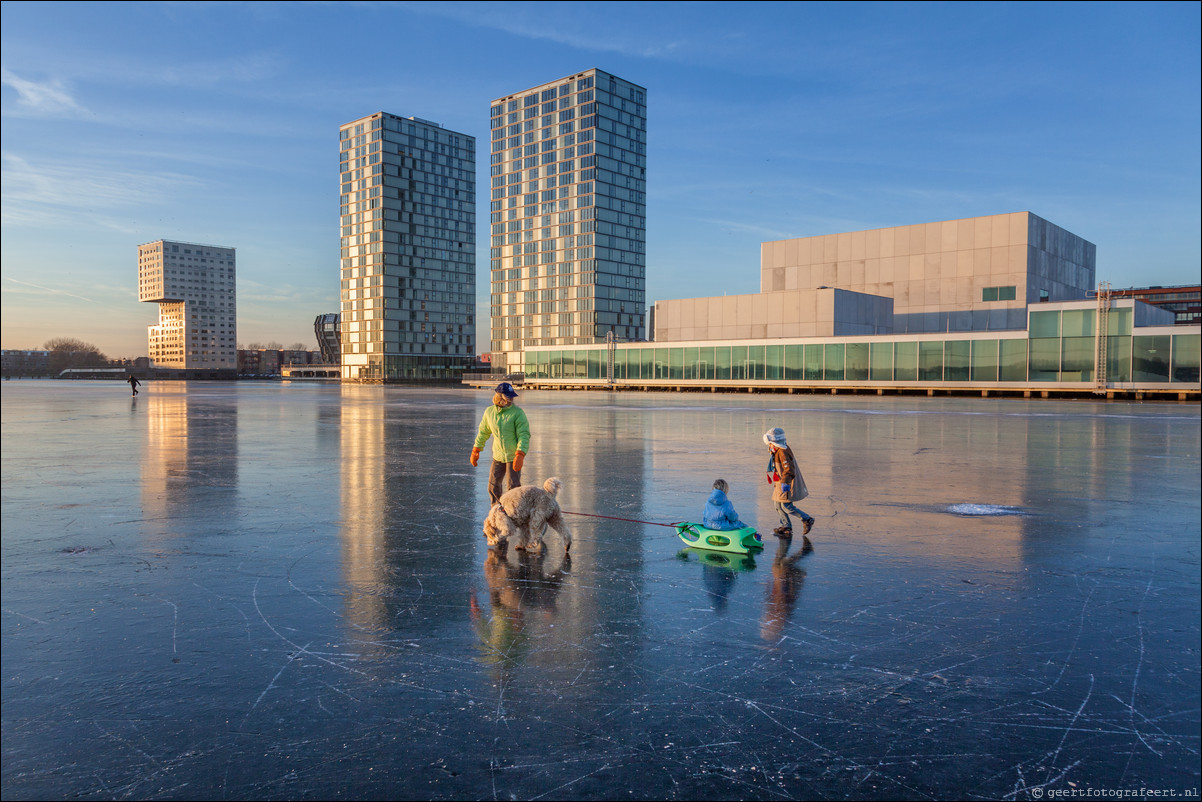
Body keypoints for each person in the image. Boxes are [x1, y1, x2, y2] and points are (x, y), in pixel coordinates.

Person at [471, 382, 531, 505]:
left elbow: (524, 434)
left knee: (513, 487)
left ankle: (515, 512)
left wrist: (520, 453)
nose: (511, 399)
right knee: (493, 486)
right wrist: (476, 449)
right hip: (498, 455)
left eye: (512, 396)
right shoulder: (489, 412)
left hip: (512, 456)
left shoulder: (517, 413)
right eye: (508, 396)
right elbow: (483, 432)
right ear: (499, 396)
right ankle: (496, 511)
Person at [763, 427, 815, 539]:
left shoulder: (783, 452)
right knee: (777, 504)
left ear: (775, 442)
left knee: (786, 506)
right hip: (780, 481)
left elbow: (789, 469)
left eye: (770, 444)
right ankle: (786, 526)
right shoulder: (777, 451)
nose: (769, 446)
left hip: (786, 482)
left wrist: (785, 483)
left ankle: (807, 519)